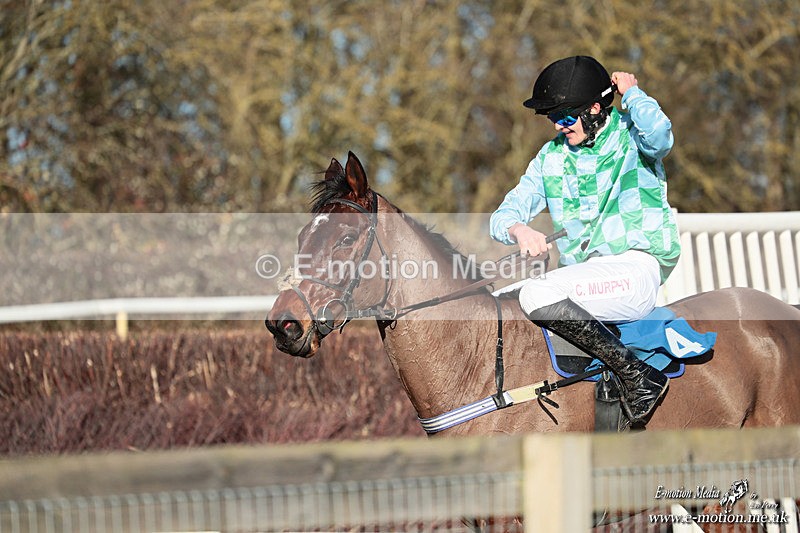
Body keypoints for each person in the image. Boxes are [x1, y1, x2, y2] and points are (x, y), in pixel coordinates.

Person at [489, 55, 681, 426]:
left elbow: (661, 137)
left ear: (595, 108)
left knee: (534, 295)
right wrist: (520, 230)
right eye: (552, 120)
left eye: (565, 117)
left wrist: (635, 94)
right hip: (587, 282)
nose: (559, 127)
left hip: (635, 271)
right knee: (497, 303)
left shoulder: (631, 136)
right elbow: (503, 214)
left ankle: (639, 377)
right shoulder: (550, 158)